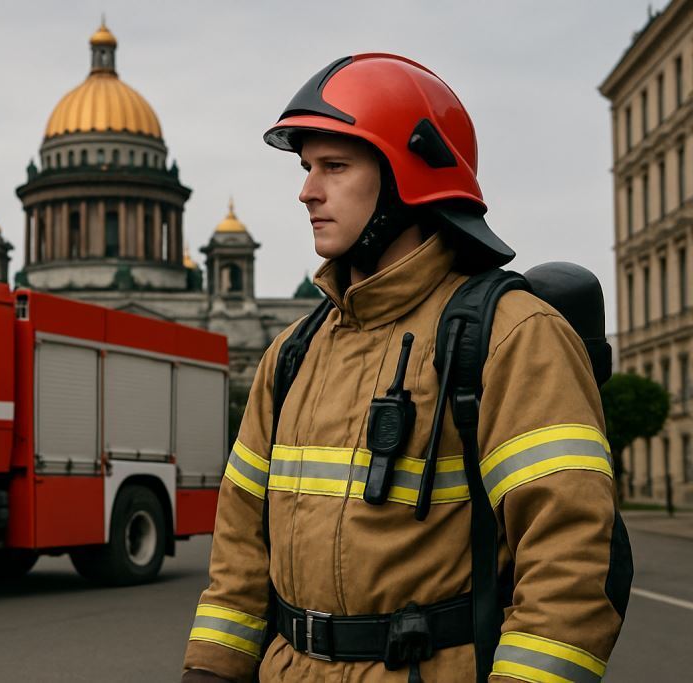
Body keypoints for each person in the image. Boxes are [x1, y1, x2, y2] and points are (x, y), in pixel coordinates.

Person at [182, 54, 630, 682]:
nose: (307, 190)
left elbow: (571, 565)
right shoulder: (291, 354)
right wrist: (209, 671)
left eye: (334, 167)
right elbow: (238, 552)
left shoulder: (515, 336)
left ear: (408, 179)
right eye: (308, 168)